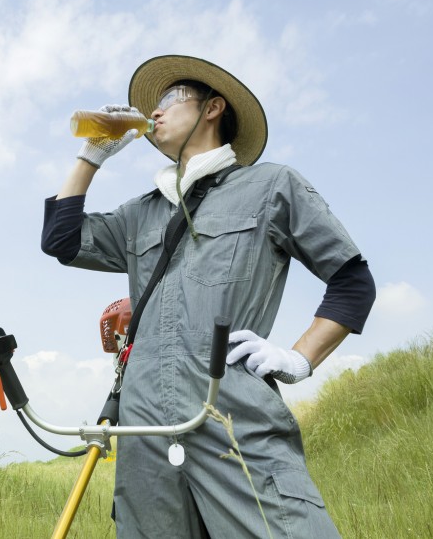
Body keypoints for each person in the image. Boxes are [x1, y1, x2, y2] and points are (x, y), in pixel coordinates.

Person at [41, 55, 375, 538]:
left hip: (230, 410)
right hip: (145, 425)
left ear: (213, 108)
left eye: (168, 100)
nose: (152, 113)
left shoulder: (271, 186)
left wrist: (299, 358)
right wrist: (91, 156)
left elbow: (352, 281)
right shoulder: (142, 212)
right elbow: (61, 241)